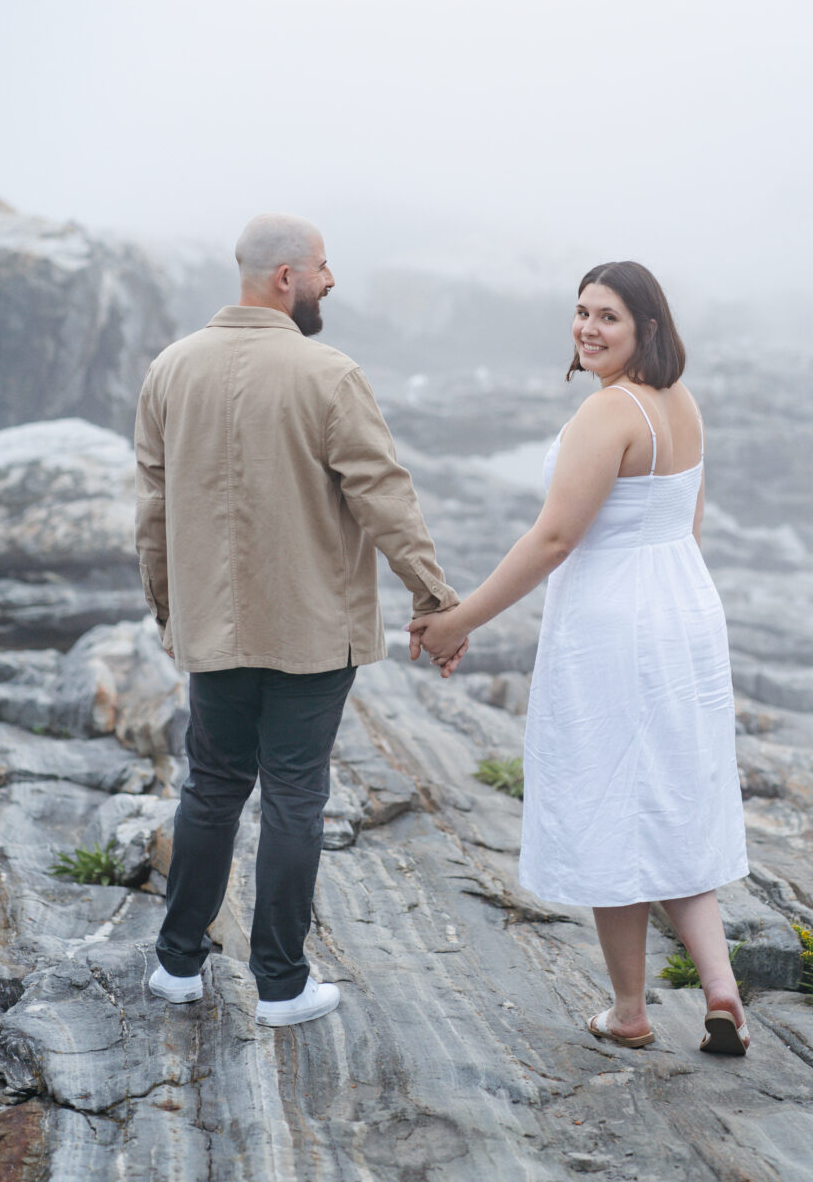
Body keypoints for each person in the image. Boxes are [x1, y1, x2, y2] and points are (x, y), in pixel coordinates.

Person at [411, 261, 750, 1054]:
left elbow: (555, 539)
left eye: (608, 318)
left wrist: (457, 620)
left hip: (614, 625)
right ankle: (721, 989)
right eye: (581, 313)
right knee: (669, 798)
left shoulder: (609, 414)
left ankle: (630, 1012)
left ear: (647, 330)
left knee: (606, 802)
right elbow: (685, 525)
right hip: (683, 612)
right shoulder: (681, 404)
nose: (588, 329)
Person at [135, 213, 465, 1028]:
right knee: (292, 796)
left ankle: (177, 966)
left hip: (213, 626)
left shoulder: (171, 369)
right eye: (321, 268)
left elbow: (152, 510)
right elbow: (382, 495)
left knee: (210, 789)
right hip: (313, 632)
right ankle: (280, 985)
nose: (329, 281)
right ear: (286, 277)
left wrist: (170, 609)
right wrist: (435, 600)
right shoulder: (329, 373)